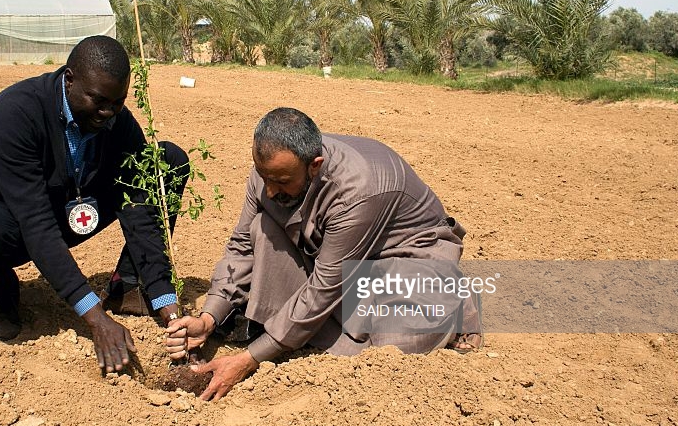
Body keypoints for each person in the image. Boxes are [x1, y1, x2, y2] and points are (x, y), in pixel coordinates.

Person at [166, 107, 482, 400]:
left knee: (393, 349)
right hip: (339, 260)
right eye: (265, 178)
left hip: (403, 260)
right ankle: (291, 329)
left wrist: (249, 359)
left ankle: (455, 303)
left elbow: (325, 286)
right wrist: (209, 317)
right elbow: (242, 247)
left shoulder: (358, 189)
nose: (271, 190)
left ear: (314, 167)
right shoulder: (269, 174)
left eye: (281, 181)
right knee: (263, 227)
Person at [0, 35, 187, 374]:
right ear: (69, 78)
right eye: (98, 100)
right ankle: (5, 291)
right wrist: (95, 317)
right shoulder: (16, 111)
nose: (108, 113)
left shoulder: (117, 122)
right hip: (12, 218)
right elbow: (35, 221)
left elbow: (141, 213)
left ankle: (130, 286)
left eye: (117, 102)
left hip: (74, 208)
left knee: (164, 164)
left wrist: (169, 306)